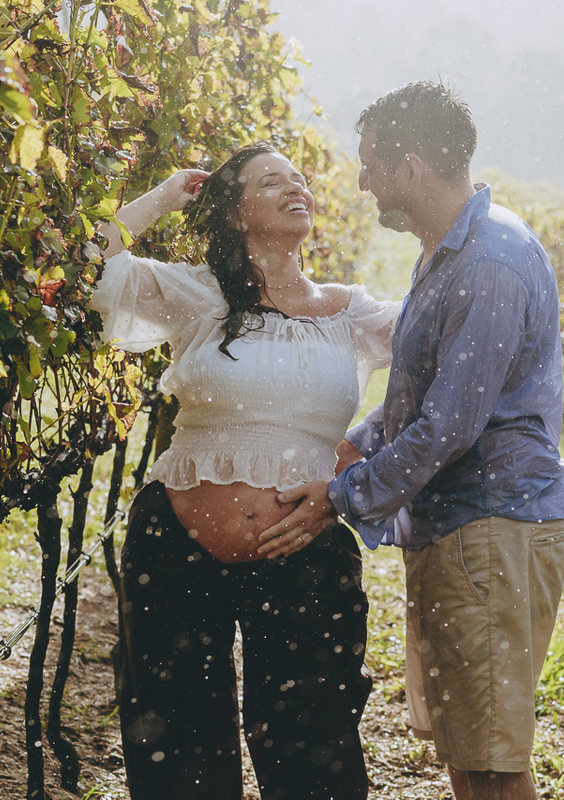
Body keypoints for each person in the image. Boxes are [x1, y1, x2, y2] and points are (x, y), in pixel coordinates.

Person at [262, 82, 564, 800]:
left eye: (370, 163)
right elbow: (429, 401)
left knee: (494, 765)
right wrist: (353, 442)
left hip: (491, 529)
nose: (361, 179)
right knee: (467, 750)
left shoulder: (488, 262)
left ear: (409, 169)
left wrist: (339, 496)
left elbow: (451, 427)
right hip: (460, 528)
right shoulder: (450, 253)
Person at [90, 141, 399, 800]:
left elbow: (450, 349)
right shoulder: (197, 293)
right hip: (174, 548)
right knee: (178, 754)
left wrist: (356, 472)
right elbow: (81, 263)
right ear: (233, 213)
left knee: (315, 754)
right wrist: (170, 194)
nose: (296, 187)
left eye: (299, 178)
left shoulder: (351, 312)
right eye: (271, 181)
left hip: (306, 550)